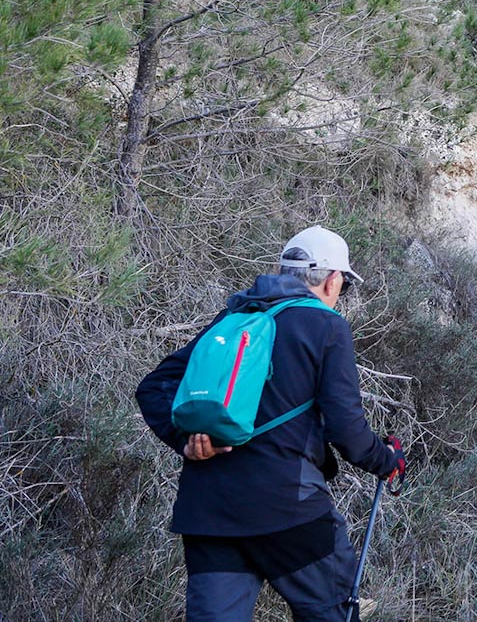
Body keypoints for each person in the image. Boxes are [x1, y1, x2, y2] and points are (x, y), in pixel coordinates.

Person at [135, 226, 404, 622]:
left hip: (209, 511)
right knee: (332, 613)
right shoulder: (327, 327)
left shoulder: (233, 319)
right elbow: (347, 430)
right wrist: (387, 460)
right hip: (288, 509)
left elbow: (154, 387)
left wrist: (186, 440)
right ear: (332, 280)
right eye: (343, 286)